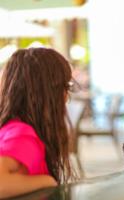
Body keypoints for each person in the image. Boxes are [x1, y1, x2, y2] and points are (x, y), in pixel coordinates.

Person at [0, 48, 75, 198]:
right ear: (47, 93)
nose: (66, 96)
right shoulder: (22, 134)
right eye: (64, 87)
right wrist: (47, 181)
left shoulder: (12, 128)